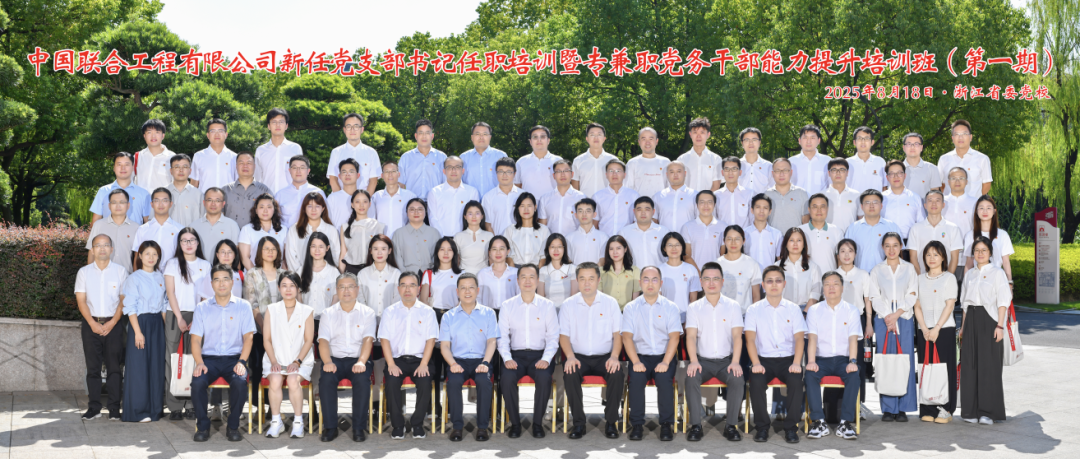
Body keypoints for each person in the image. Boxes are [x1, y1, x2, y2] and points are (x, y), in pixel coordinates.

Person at [190, 264, 257, 442]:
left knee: (240, 382)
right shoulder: (202, 307)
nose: (221, 284)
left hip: (235, 359)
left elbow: (248, 338)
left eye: (225, 279)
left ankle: (233, 426)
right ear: (211, 283)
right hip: (209, 360)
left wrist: (242, 362)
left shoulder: (243, 306)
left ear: (232, 282)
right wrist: (199, 363)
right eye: (217, 280)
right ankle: (203, 426)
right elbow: (195, 340)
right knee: (197, 382)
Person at [560, 262, 625, 440]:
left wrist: (614, 357)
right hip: (578, 357)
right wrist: (570, 357)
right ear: (577, 280)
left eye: (591, 278)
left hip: (605, 357)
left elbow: (617, 334)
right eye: (582, 279)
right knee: (570, 373)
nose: (587, 283)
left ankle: (611, 422)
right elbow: (563, 336)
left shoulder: (610, 303)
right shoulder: (568, 305)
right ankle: (578, 423)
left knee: (617, 373)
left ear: (598, 280)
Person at [684, 261, 746, 442]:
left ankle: (731, 426)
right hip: (702, 361)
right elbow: (690, 337)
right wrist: (693, 361)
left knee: (737, 379)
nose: (711, 283)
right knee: (691, 378)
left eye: (716, 279)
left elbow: (737, 337)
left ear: (722, 281)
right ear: (701, 282)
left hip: (727, 361)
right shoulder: (693, 307)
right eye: (707, 279)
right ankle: (696, 426)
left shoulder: (733, 306)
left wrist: (735, 362)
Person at [744, 265, 807, 444]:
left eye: (778, 281)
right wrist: (756, 363)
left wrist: (797, 363)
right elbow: (750, 339)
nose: (774, 284)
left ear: (784, 284)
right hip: (763, 360)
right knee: (756, 383)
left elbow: (799, 338)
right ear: (763, 285)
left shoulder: (793, 309)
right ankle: (762, 427)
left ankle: (791, 428)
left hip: (788, 360)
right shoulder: (753, 309)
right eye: (769, 281)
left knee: (796, 381)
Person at [621, 266, 683, 441]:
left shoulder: (671, 307)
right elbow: (627, 338)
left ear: (661, 283)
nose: (650, 283)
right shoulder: (631, 307)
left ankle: (666, 424)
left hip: (664, 356)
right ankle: (637, 425)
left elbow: (674, 338)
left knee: (664, 380)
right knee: (636, 380)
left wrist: (665, 362)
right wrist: (635, 362)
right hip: (640, 356)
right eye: (646, 279)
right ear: (640, 283)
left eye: (654, 279)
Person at [498, 264, 559, 439]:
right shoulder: (507, 306)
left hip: (539, 355)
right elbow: (502, 337)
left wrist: (546, 359)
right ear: (517, 281)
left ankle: (537, 424)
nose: (527, 281)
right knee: (507, 377)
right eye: (523, 277)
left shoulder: (547, 306)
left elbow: (553, 337)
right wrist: (507, 358)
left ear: (537, 281)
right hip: (515, 356)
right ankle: (515, 424)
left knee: (544, 377)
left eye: (531, 277)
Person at [440, 273, 500, 441]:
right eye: (463, 288)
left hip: (481, 360)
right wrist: (452, 364)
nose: (467, 291)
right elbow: (444, 346)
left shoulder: (489, 314)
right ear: (457, 291)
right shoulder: (448, 316)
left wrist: (485, 362)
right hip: (457, 360)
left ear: (477, 290)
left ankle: (482, 427)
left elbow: (492, 341)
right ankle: (457, 427)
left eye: (471, 287)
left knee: (483, 381)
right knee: (453, 382)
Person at [318, 273, 378, 442]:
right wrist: (327, 362)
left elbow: (368, 340)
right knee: (326, 380)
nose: (346, 291)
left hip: (358, 359)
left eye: (350, 286)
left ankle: (359, 428)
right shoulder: (328, 313)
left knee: (362, 381)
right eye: (342, 287)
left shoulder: (367, 312)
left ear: (357, 289)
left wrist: (362, 361)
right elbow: (323, 341)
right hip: (334, 359)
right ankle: (330, 427)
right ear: (336, 290)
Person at [378, 271, 438, 439]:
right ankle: (398, 425)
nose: (407, 289)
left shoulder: (428, 312)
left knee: (425, 382)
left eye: (412, 285)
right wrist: (391, 364)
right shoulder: (390, 312)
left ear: (418, 289)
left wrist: (424, 364)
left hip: (421, 359)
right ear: (398, 289)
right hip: (397, 360)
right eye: (403, 285)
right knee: (391, 381)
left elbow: (431, 340)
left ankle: (417, 423)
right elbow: (384, 339)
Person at [76, 234, 129, 421]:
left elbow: (123, 300)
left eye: (106, 245)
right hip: (90, 324)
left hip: (114, 324)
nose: (102, 248)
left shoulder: (120, 271)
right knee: (93, 368)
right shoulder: (84, 272)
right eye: (98, 245)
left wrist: (112, 322)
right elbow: (81, 301)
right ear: (92, 250)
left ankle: (114, 408)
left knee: (115, 368)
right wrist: (92, 323)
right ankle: (94, 408)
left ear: (111, 249)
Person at [958, 236, 1011, 424]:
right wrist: (963, 328)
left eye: (984, 250)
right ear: (973, 253)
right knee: (970, 365)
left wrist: (1000, 326)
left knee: (988, 366)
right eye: (977, 250)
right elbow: (965, 304)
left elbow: (1003, 301)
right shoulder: (969, 274)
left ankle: (987, 412)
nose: (980, 254)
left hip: (990, 321)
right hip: (970, 320)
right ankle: (970, 412)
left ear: (990, 253)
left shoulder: (998, 273)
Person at [804, 271, 862, 440]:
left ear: (842, 288)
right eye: (827, 284)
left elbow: (853, 338)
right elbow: (812, 338)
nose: (831, 287)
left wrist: (852, 361)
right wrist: (811, 361)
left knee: (854, 375)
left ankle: (845, 423)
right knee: (810, 374)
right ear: (823, 288)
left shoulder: (852, 310)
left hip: (844, 360)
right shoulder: (814, 310)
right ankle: (819, 422)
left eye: (835, 284)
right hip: (822, 360)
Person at [868, 232, 919, 421]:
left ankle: (903, 407)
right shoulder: (877, 270)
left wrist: (896, 314)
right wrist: (888, 317)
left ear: (901, 247)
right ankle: (888, 408)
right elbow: (874, 296)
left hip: (904, 318)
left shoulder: (909, 268)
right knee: (886, 362)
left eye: (895, 245)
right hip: (884, 320)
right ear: (883, 248)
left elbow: (912, 294)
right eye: (887, 245)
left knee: (904, 362)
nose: (891, 249)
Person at [261, 271, 315, 439]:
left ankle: (298, 421)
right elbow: (267, 339)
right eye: (284, 285)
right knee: (275, 380)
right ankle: (276, 421)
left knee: (292, 381)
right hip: (275, 357)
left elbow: (309, 340)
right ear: (279, 288)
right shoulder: (271, 309)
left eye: (292, 285)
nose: (288, 289)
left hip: (300, 359)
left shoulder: (306, 311)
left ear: (298, 289)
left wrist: (297, 361)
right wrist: (273, 361)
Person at [163, 228, 210, 419]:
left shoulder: (205, 265)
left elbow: (206, 294)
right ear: (179, 244)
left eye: (192, 240)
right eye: (184, 240)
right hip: (176, 315)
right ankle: (175, 406)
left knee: (196, 359)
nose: (188, 244)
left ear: (198, 243)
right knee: (173, 359)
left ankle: (192, 404)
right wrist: (179, 318)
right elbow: (170, 292)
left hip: (199, 314)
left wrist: (197, 317)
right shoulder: (172, 264)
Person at [120, 240, 168, 422]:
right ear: (139, 256)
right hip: (140, 323)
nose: (151, 257)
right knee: (139, 367)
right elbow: (130, 307)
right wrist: (138, 332)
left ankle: (155, 409)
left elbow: (164, 304)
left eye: (155, 254)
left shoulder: (161, 277)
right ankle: (138, 411)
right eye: (147, 254)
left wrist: (166, 329)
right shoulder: (134, 278)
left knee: (156, 366)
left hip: (157, 324)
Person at [913, 241, 959, 424]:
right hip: (924, 331)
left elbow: (950, 305)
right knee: (926, 367)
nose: (932, 258)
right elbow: (917, 306)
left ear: (943, 258)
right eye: (928, 255)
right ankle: (927, 408)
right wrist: (925, 328)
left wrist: (937, 328)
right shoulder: (919, 279)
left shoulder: (949, 278)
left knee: (944, 369)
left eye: (936, 254)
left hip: (944, 329)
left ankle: (946, 409)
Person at [244, 236, 286, 393]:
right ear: (260, 252)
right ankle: (257, 402)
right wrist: (264, 326)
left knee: (278, 365)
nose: (270, 252)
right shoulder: (252, 274)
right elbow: (252, 303)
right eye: (266, 249)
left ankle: (274, 401)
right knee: (258, 364)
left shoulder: (284, 274)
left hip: (282, 329)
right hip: (259, 328)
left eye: (273, 249)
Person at [844, 189, 903, 272]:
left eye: (875, 202)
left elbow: (899, 253)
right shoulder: (853, 228)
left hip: (886, 275)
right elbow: (845, 254)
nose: (871, 206)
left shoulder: (891, 226)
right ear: (862, 206)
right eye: (867, 203)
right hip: (860, 275)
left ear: (881, 205)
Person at [907, 190, 964, 275]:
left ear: (943, 205)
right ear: (925, 205)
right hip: (922, 277)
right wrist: (920, 278)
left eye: (937, 200)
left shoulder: (953, 228)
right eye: (930, 200)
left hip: (945, 278)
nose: (934, 204)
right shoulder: (915, 228)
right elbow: (913, 257)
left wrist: (947, 279)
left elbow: (954, 258)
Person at [86, 188, 139, 272]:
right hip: (102, 275)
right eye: (114, 202)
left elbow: (137, 255)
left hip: (126, 276)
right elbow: (91, 251)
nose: (118, 206)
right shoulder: (98, 225)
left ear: (128, 205)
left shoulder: (136, 227)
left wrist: (136, 276)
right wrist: (90, 273)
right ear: (109, 206)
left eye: (122, 202)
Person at [963, 196, 1015, 281]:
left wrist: (1009, 282)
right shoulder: (970, 235)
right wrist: (965, 284)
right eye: (981, 208)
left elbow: (1006, 262)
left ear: (994, 211)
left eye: (988, 208)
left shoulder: (1003, 235)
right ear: (976, 211)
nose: (985, 211)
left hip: (997, 280)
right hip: (977, 280)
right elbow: (969, 263)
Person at [91, 151, 151, 225]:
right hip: (109, 232)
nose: (123, 168)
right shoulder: (103, 191)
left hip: (135, 232)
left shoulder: (144, 194)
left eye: (127, 164)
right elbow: (96, 220)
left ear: (133, 167)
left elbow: (148, 222)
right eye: (119, 164)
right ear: (114, 168)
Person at [285, 192, 341, 271]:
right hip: (301, 275)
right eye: (309, 206)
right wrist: (300, 274)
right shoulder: (294, 229)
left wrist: (327, 273)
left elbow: (336, 255)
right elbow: (291, 256)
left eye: (317, 206)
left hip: (326, 275)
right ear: (304, 209)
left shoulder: (331, 230)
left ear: (323, 208)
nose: (313, 210)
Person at [327, 113, 380, 194]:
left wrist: (364, 199)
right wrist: (340, 198)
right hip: (340, 199)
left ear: (362, 129)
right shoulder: (336, 152)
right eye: (348, 126)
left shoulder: (371, 153)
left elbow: (373, 181)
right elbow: (333, 179)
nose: (352, 130)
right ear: (344, 130)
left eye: (356, 126)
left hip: (364, 200)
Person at [938, 119, 992, 199]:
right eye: (957, 134)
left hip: (973, 205)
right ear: (952, 138)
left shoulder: (982, 159)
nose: (960, 137)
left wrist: (976, 202)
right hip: (949, 205)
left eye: (964, 134)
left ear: (970, 137)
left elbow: (986, 184)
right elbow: (940, 185)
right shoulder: (943, 159)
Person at [428, 156, 481, 237]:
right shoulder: (434, 192)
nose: (453, 170)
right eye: (449, 167)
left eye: (457, 167)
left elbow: (474, 218)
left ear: (463, 171)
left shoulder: (472, 192)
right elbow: (433, 219)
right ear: (444, 171)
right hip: (441, 239)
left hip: (465, 238)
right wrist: (442, 239)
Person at [255, 108, 303, 194]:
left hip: (290, 197)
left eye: (281, 122)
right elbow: (257, 178)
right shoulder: (260, 150)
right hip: (267, 198)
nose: (277, 125)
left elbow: (301, 176)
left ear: (286, 126)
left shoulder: (295, 148)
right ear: (269, 126)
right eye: (274, 122)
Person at [132, 188, 183, 269]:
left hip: (172, 274)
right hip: (147, 274)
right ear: (152, 204)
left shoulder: (180, 230)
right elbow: (137, 257)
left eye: (165, 200)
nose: (161, 204)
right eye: (157, 201)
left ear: (170, 204)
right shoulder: (142, 229)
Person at [942, 167, 978, 280]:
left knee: (966, 288)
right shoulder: (941, 201)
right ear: (948, 181)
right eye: (953, 178)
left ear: (966, 181)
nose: (957, 181)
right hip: (944, 256)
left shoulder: (975, 202)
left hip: (968, 256)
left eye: (961, 178)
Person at [398, 119, 447, 200]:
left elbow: (447, 183)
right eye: (421, 133)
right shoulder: (406, 157)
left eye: (427, 133)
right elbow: (400, 184)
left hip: (435, 203)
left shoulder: (442, 157)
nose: (424, 136)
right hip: (412, 204)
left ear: (432, 136)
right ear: (416, 136)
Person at [340, 190, 387, 275]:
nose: (361, 205)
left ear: (369, 204)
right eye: (357, 202)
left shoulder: (378, 226)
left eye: (365, 201)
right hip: (351, 271)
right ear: (352, 205)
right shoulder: (345, 227)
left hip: (373, 270)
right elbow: (343, 253)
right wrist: (340, 276)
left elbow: (383, 252)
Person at [775, 227, 822, 311]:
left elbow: (816, 292)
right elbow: (773, 292)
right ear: (786, 244)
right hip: (783, 309)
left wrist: (805, 312)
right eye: (791, 240)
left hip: (807, 309)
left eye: (799, 240)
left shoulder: (813, 267)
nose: (795, 244)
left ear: (804, 244)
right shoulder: (776, 267)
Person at [223, 151, 273, 229]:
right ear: (236, 166)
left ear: (254, 166)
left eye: (249, 163)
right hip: (230, 234)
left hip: (256, 234)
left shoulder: (264, 190)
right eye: (241, 163)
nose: (245, 166)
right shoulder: (225, 190)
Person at [718, 225, 763, 312]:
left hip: (744, 315)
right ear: (724, 241)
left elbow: (756, 296)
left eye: (737, 239)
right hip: (722, 314)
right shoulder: (717, 264)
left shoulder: (752, 264)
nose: (733, 243)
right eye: (729, 239)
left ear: (744, 241)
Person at [276, 155, 327, 229]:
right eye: (294, 168)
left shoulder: (318, 192)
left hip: (312, 234)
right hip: (286, 235)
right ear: (289, 170)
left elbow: (325, 217)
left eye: (302, 168)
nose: (298, 171)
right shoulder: (280, 194)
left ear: (308, 171)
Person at [392, 198, 440, 275]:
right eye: (412, 209)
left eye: (420, 209)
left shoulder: (434, 233)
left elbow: (438, 256)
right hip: (406, 276)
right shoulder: (398, 233)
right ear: (406, 213)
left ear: (425, 212)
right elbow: (396, 257)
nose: (416, 213)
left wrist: (432, 272)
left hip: (430, 275)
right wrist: (405, 275)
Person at [356, 235, 402, 317]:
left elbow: (397, 299)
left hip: (390, 319)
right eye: (375, 249)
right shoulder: (362, 274)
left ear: (389, 251)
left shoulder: (396, 274)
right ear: (370, 251)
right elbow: (359, 298)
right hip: (367, 319)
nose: (379, 253)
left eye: (383, 249)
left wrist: (388, 317)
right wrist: (368, 317)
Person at [239, 193, 287, 270]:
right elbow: (245, 258)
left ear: (274, 210)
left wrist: (282, 275)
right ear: (256, 210)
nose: (265, 211)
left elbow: (285, 259)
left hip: (277, 275)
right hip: (254, 274)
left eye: (269, 207)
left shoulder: (283, 230)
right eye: (261, 207)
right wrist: (257, 275)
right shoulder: (247, 229)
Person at [300, 232, 342, 321]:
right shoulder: (300, 271)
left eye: (321, 246)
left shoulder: (334, 272)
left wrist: (328, 317)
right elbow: (298, 295)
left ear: (327, 248)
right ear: (309, 248)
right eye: (313, 246)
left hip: (327, 320)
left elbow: (336, 296)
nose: (317, 250)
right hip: (305, 320)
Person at [190, 187, 241, 261]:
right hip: (199, 267)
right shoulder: (193, 226)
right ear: (204, 203)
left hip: (224, 267)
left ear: (223, 204)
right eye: (209, 200)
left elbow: (236, 253)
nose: (213, 204)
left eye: (217, 200)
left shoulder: (232, 225)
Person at [539, 159, 586, 235]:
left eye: (566, 171)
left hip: (573, 241)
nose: (562, 174)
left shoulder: (581, 197)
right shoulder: (545, 198)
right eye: (558, 171)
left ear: (572, 174)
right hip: (551, 241)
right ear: (554, 176)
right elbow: (542, 226)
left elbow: (585, 224)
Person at [190, 118, 238, 193]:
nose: (217, 134)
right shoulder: (198, 156)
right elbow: (193, 184)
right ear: (208, 135)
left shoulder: (235, 157)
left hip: (228, 200)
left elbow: (238, 184)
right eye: (213, 131)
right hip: (204, 199)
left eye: (220, 131)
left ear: (226, 134)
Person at [460, 121, 508, 197]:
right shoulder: (463, 157)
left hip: (496, 200)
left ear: (490, 137)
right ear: (472, 137)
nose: (481, 137)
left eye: (485, 134)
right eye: (477, 134)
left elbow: (508, 180)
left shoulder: (501, 156)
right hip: (470, 201)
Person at [593, 158, 639, 236]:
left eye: (618, 171)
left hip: (626, 239)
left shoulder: (634, 196)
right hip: (604, 240)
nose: (614, 174)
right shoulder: (597, 196)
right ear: (606, 175)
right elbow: (594, 222)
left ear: (624, 175)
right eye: (611, 171)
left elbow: (636, 221)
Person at [618, 196, 668, 268]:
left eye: (647, 209)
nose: (643, 213)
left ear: (653, 212)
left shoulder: (664, 232)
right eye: (639, 210)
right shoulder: (624, 233)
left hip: (658, 274)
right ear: (634, 212)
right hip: (633, 274)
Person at [799, 194, 844, 272]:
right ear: (809, 209)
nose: (819, 210)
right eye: (815, 207)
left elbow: (840, 258)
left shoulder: (836, 231)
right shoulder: (800, 230)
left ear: (827, 209)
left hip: (830, 278)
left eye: (822, 207)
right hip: (806, 277)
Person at [571, 123, 618, 197]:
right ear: (587, 139)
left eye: (599, 134)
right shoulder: (578, 160)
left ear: (604, 138)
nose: (596, 138)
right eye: (592, 135)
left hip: (607, 202)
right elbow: (574, 189)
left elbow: (618, 184)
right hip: (585, 202)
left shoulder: (613, 160)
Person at [881, 160, 925, 239]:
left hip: (910, 242)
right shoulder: (881, 198)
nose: (896, 176)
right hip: (886, 242)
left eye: (899, 173)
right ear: (887, 177)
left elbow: (921, 223)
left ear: (905, 175)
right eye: (892, 173)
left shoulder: (915, 197)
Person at [659, 232, 699, 319]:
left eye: (677, 245)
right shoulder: (659, 270)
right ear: (664, 248)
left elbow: (693, 300)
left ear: (682, 247)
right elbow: (657, 299)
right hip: (665, 318)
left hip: (686, 319)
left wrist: (689, 320)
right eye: (670, 245)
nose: (674, 248)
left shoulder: (691, 269)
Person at [765, 157, 810, 235]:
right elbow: (764, 221)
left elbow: (805, 222)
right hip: (773, 240)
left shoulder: (801, 193)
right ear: (773, 173)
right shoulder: (766, 195)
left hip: (795, 240)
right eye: (777, 170)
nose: (781, 174)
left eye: (785, 170)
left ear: (791, 172)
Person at [504, 192, 551, 266]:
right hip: (515, 268)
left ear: (535, 207)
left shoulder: (544, 230)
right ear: (518, 208)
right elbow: (508, 256)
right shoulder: (510, 230)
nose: (526, 209)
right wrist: (514, 271)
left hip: (537, 268)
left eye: (529, 206)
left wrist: (537, 271)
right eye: (522, 206)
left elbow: (544, 257)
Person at [515, 125, 562, 198]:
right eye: (535, 137)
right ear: (530, 141)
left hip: (553, 203)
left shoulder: (558, 161)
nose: (539, 140)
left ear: (548, 140)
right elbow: (516, 187)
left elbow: (564, 185)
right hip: (528, 204)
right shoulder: (521, 162)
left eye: (542, 137)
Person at [677, 117, 722, 192]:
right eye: (695, 132)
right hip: (686, 199)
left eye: (702, 132)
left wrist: (705, 198)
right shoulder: (681, 160)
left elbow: (716, 185)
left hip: (708, 199)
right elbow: (678, 183)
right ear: (690, 134)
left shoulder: (716, 159)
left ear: (708, 135)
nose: (698, 136)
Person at [372, 161, 418, 235]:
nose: (390, 174)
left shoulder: (410, 196)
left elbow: (415, 220)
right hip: (382, 239)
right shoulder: (376, 196)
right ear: (382, 175)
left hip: (403, 238)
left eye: (393, 171)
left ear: (398, 174)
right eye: (387, 171)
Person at [681, 191, 724, 265]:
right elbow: (686, 256)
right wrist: (698, 271)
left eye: (709, 202)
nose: (706, 205)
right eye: (702, 202)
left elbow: (723, 256)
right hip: (694, 271)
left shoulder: (723, 227)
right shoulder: (687, 227)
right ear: (697, 205)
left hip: (716, 271)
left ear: (714, 204)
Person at [625, 127, 670, 198]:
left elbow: (670, 188)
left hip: (661, 204)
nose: (647, 142)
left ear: (656, 141)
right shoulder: (632, 163)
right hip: (639, 204)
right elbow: (627, 189)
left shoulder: (666, 162)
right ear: (639, 142)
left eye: (651, 139)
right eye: (644, 139)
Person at [483, 157, 524, 236]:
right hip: (498, 241)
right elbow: (487, 224)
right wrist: (495, 241)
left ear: (514, 174)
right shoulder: (488, 197)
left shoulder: (523, 195)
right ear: (496, 173)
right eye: (501, 172)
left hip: (520, 240)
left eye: (508, 172)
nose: (504, 175)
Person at [652, 162, 697, 233]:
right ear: (667, 174)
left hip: (688, 238)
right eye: (672, 172)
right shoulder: (658, 196)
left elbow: (700, 220)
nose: (675, 175)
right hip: (664, 238)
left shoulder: (695, 195)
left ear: (685, 173)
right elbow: (654, 221)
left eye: (679, 171)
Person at [420, 237, 463, 312]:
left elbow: (464, 299)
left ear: (454, 253)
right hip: (433, 313)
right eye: (442, 249)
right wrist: (432, 315)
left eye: (449, 250)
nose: (446, 253)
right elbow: (423, 300)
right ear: (437, 252)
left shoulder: (461, 274)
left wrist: (454, 314)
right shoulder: (429, 273)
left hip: (454, 313)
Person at [477, 236, 519, 311]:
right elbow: (478, 298)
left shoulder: (516, 273)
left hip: (510, 314)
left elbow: (521, 296)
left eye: (502, 249)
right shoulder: (482, 274)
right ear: (489, 252)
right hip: (488, 314)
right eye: (494, 249)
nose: (498, 252)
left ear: (508, 251)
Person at [744, 194, 783, 271]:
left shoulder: (777, 234)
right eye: (758, 207)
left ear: (770, 211)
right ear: (752, 210)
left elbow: (780, 260)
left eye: (765, 208)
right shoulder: (744, 233)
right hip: (749, 275)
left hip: (769, 276)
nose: (761, 211)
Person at [600, 235, 641, 309]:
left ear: (625, 249)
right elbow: (600, 297)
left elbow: (635, 301)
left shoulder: (635, 271)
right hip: (608, 312)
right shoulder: (601, 271)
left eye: (618, 248)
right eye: (611, 249)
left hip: (627, 312)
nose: (615, 252)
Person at [134, 119, 175, 192]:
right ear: (144, 136)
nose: (153, 136)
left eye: (157, 132)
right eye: (149, 132)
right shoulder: (138, 156)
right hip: (141, 199)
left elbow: (176, 183)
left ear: (163, 136)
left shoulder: (172, 157)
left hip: (163, 199)